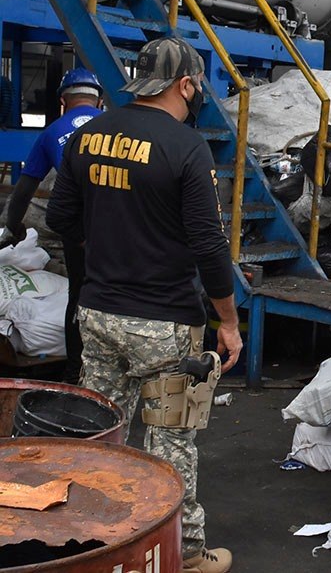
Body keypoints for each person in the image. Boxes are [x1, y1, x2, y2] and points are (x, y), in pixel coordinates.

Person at [47, 37, 242, 573]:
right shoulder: (185, 147)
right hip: (165, 325)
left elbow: (61, 219)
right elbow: (207, 244)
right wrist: (227, 320)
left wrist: (109, 244)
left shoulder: (87, 138)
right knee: (171, 443)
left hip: (99, 314)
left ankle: (89, 542)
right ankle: (188, 555)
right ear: (185, 85)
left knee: (102, 437)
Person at [0, 68, 103, 384]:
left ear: (63, 101)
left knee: (79, 296)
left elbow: (23, 193)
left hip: (79, 231)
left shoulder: (51, 133)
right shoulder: (116, 127)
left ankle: (75, 372)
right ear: (99, 103)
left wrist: (12, 229)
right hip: (123, 227)